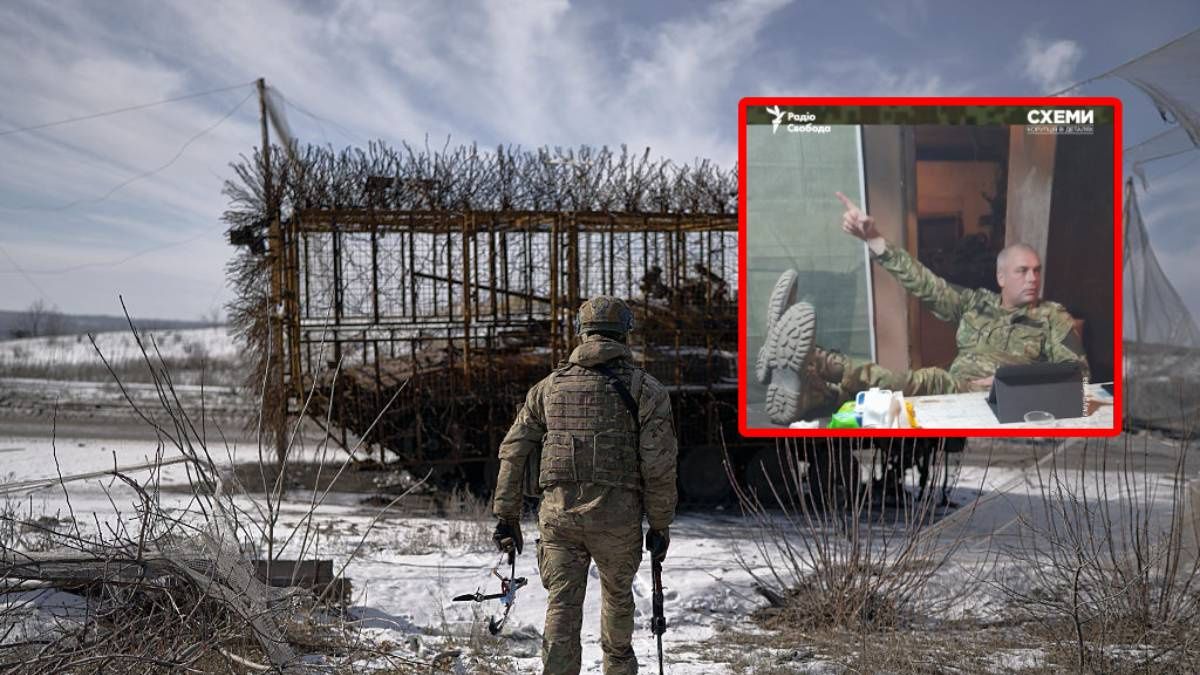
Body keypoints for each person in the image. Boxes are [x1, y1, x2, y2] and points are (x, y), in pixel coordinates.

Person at [758, 192, 1089, 425]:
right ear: (1001, 277)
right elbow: (925, 283)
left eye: (1037, 270)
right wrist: (873, 238)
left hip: (985, 399)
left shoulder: (1052, 317)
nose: (1033, 278)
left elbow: (1077, 376)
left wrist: (1011, 382)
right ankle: (813, 388)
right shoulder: (976, 304)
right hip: (955, 386)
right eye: (1023, 271)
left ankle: (815, 360)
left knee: (920, 380)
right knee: (897, 386)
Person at [491, 295, 678, 675]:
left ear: (581, 333)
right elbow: (658, 465)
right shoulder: (647, 390)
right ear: (625, 334)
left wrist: (506, 515)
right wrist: (659, 525)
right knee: (618, 602)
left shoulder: (548, 388)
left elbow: (514, 450)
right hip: (617, 520)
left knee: (561, 605)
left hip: (559, 519)